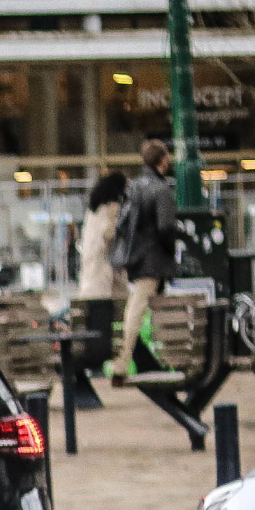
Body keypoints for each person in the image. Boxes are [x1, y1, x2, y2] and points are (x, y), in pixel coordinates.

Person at [110, 140, 179, 383]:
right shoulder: (162, 190)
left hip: (136, 258)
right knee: (138, 310)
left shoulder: (134, 187)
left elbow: (123, 223)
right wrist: (172, 248)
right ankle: (122, 362)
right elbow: (166, 227)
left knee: (155, 309)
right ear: (162, 161)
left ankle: (167, 358)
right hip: (154, 261)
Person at [78, 171, 125, 301]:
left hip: (91, 266)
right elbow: (109, 234)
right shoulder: (111, 209)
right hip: (105, 267)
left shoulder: (93, 210)